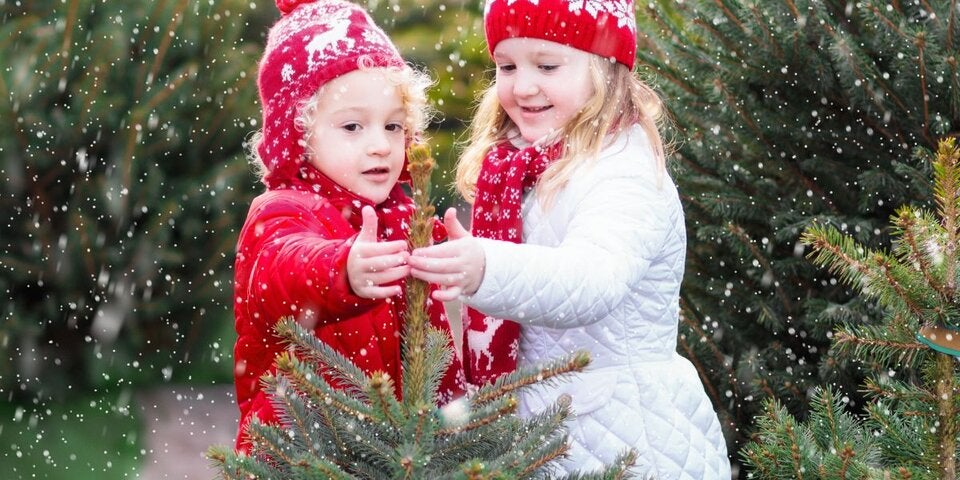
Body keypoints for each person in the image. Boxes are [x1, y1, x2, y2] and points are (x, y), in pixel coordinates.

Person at [407, 0, 731, 477]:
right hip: (550, 430)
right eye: (507, 66)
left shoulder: (623, 170)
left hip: (627, 437)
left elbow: (592, 281)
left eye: (547, 65)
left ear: (605, 69)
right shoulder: (522, 166)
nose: (523, 85)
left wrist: (485, 267)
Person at [232, 0, 465, 452]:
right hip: (306, 450)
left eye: (394, 126)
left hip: (398, 449)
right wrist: (340, 268)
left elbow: (435, 339)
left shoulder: (405, 217)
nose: (380, 145)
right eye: (354, 126)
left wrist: (463, 258)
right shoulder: (282, 210)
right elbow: (280, 270)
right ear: (299, 133)